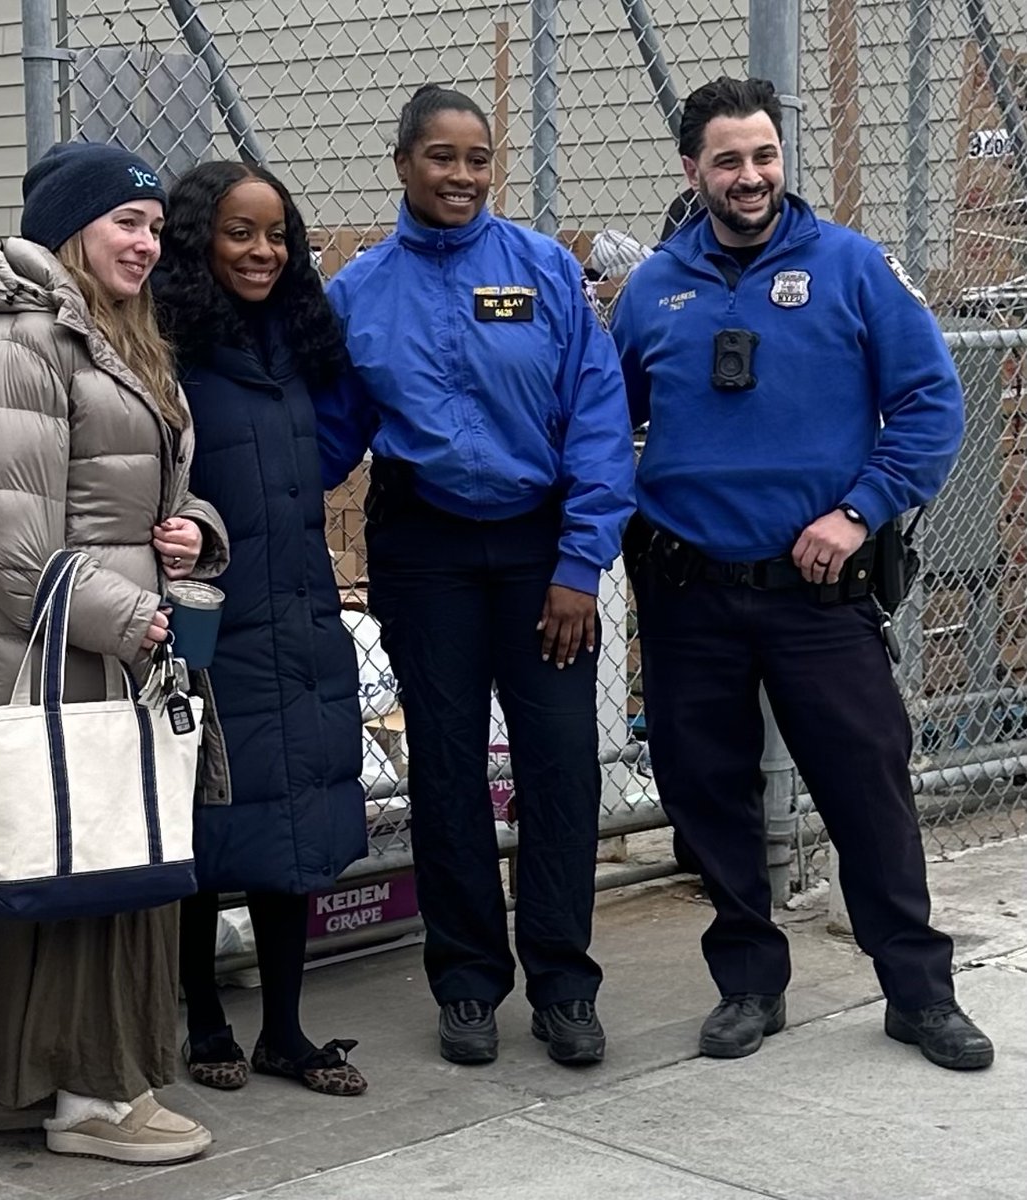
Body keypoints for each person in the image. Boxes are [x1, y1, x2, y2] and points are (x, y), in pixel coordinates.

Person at [610, 77, 995, 1071]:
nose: (750, 176)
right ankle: (748, 984)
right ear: (691, 170)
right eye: (728, 160)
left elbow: (927, 407)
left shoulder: (851, 268)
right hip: (687, 587)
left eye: (764, 156)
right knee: (707, 791)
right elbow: (609, 421)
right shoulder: (653, 287)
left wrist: (858, 510)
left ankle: (917, 992)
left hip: (816, 592)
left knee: (866, 785)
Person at [0, 141, 231, 1162]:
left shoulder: (109, 336)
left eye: (153, 226)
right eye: (126, 223)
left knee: (52, 857)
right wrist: (138, 621)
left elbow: (134, 498)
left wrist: (192, 533)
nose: (148, 242)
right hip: (47, 654)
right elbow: (11, 551)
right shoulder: (15, 344)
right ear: (70, 229)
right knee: (86, 857)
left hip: (86, 643)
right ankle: (96, 1100)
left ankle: (26, 1081)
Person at [315, 85, 635, 1067]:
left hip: (543, 554)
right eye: (441, 158)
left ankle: (563, 982)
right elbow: (326, 436)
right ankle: (464, 982)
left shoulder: (542, 272)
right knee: (448, 768)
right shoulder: (359, 292)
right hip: (426, 553)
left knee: (558, 764)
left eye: (478, 159)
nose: (461, 176)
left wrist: (580, 562)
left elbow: (595, 417)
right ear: (403, 161)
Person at [154, 161, 369, 1097]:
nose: (263, 251)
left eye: (277, 233)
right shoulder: (166, 349)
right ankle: (203, 1019)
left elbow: (327, 450)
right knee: (205, 824)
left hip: (298, 607)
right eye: (240, 232)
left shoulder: (295, 340)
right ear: (199, 238)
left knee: (292, 822)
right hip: (210, 622)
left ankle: (285, 1028)